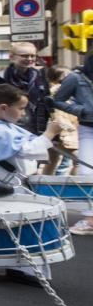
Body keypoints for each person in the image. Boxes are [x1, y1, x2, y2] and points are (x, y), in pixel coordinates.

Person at [0, 84, 63, 286]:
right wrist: (49, 133)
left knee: (15, 228)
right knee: (13, 227)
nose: (23, 113)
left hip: (16, 183)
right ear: (3, 107)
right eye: (20, 108)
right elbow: (27, 150)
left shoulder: (2, 127)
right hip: (7, 184)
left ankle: (17, 268)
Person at [47, 58, 93, 234]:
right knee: (86, 173)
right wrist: (81, 110)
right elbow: (57, 100)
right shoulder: (76, 77)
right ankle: (90, 219)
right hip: (88, 127)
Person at [0, 42, 49, 132]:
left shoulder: (40, 77)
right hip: (8, 129)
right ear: (11, 57)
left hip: (35, 127)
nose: (30, 59)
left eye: (32, 56)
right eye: (25, 56)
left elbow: (43, 104)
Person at [40, 66, 78, 177]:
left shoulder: (54, 91)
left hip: (58, 131)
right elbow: (59, 114)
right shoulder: (60, 90)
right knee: (79, 161)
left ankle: (44, 185)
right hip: (65, 131)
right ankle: (78, 187)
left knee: (52, 159)